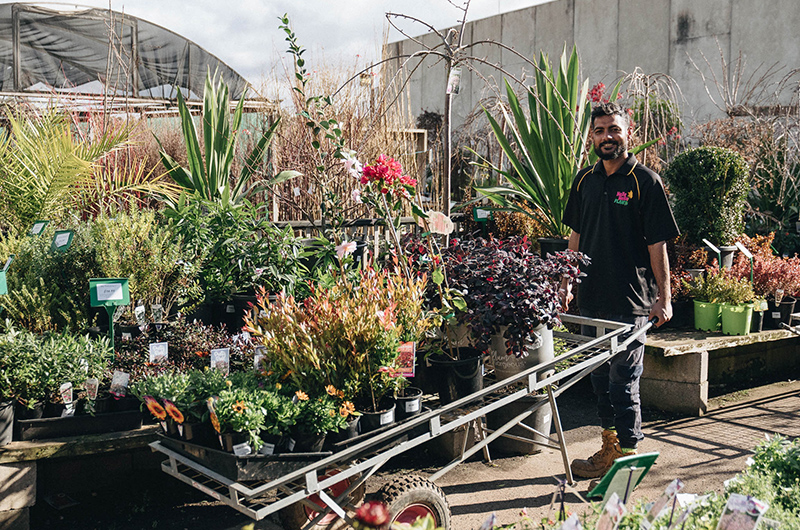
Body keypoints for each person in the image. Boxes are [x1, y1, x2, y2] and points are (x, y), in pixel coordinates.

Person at [560, 102, 680, 479]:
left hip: (632, 300)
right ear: (591, 137)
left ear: (628, 134)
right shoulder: (584, 181)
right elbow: (574, 237)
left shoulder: (645, 181)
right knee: (599, 377)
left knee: (623, 381)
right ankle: (609, 449)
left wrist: (665, 297)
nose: (607, 137)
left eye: (614, 129)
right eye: (600, 131)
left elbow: (658, 243)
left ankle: (627, 461)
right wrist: (566, 283)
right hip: (590, 298)